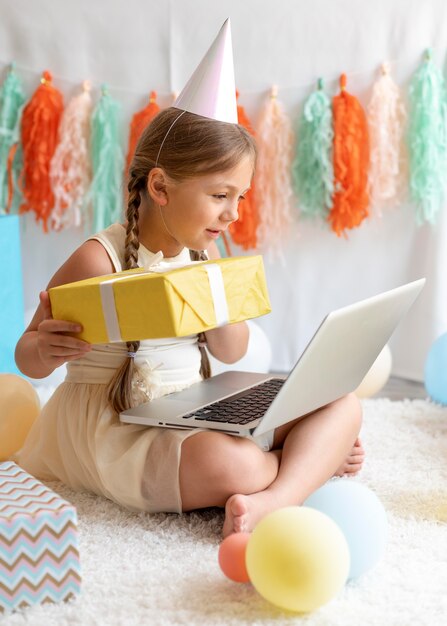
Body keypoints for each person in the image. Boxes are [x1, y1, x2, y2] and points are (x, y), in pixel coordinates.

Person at [14, 105, 364, 537]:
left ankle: (278, 496)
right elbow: (28, 357)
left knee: (342, 402)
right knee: (235, 465)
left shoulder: (203, 253)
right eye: (220, 196)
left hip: (190, 406)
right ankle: (303, 466)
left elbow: (230, 350)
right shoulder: (97, 258)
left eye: (240, 197)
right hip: (118, 427)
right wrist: (44, 349)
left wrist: (214, 298)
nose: (233, 214)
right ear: (160, 186)